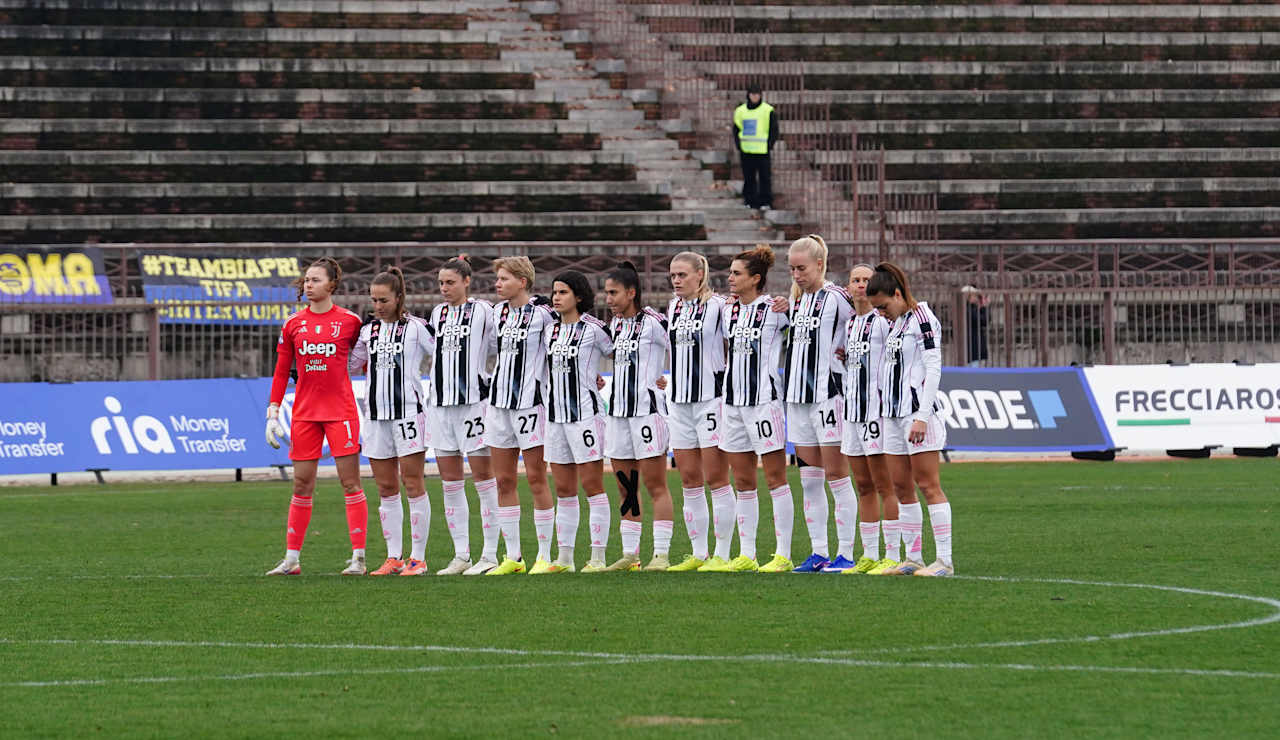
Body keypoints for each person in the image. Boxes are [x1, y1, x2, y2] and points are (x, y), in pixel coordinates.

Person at [264, 257, 368, 576]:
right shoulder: (293, 324)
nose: (309, 285)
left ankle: (359, 558)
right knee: (301, 483)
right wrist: (273, 411)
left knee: (350, 483)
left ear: (332, 285)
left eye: (316, 280)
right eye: (306, 280)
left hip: (341, 412)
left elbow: (364, 360)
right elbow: (282, 370)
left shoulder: (350, 322)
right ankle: (292, 559)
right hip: (305, 413)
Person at [865, 262, 955, 577]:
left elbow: (933, 367)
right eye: (876, 308)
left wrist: (922, 416)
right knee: (901, 486)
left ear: (899, 294)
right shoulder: (895, 323)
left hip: (917, 415)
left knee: (928, 484)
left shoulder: (922, 319)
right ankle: (913, 558)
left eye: (884, 305)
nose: (881, 312)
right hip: (891, 415)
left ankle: (944, 560)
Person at [775, 235, 858, 573]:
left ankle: (847, 553)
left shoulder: (838, 298)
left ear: (820, 264)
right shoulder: (797, 302)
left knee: (837, 476)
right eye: (792, 268)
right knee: (809, 479)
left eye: (802, 268)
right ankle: (819, 552)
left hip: (827, 397)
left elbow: (863, 328)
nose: (796, 274)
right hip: (797, 400)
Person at [709, 245, 792, 573]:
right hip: (732, 404)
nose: (729, 278)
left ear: (755, 279)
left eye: (736, 274)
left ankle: (783, 554)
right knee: (742, 480)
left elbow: (806, 336)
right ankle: (748, 554)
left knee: (775, 478)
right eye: (730, 273)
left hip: (764, 403)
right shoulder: (727, 310)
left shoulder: (776, 309)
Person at [348, 266, 434, 576]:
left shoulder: (417, 328)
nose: (377, 305)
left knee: (413, 483)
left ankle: (418, 558)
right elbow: (351, 364)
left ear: (398, 297)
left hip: (408, 414)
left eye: (383, 299)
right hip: (374, 417)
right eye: (373, 300)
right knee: (385, 487)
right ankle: (393, 556)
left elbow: (444, 359)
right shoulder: (368, 331)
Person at [423, 256, 500, 576]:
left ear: (467, 282)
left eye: (450, 282)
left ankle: (491, 553)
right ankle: (461, 555)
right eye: (441, 283)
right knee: (450, 482)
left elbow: (502, 346)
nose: (444, 288)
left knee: (485, 479)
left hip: (473, 405)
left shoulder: (484, 310)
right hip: (441, 407)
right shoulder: (437, 313)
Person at [485, 257, 557, 575]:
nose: (497, 284)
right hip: (499, 405)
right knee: (503, 480)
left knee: (536, 478)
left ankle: (544, 555)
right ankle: (513, 557)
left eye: (503, 279)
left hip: (531, 405)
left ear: (522, 282)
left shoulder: (543, 315)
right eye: (497, 279)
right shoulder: (496, 313)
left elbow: (558, 351)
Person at [600, 261, 674, 572]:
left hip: (647, 414)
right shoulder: (612, 327)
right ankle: (630, 555)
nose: (608, 299)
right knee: (626, 485)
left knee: (656, 484)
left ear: (632, 293)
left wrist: (670, 380)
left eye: (614, 293)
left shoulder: (656, 323)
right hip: (618, 414)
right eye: (606, 293)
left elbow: (686, 350)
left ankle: (661, 554)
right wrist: (595, 378)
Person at [542, 270, 613, 573]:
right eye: (555, 293)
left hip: (585, 416)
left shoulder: (596, 329)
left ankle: (598, 558)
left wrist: (655, 381)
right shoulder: (550, 331)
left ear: (579, 297)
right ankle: (565, 559)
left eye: (563, 293)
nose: (556, 298)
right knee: (564, 490)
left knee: (593, 486)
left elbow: (623, 356)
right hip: (555, 418)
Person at [664, 252, 730, 572]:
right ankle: (698, 553)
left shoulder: (720, 306)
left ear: (700, 274)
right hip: (678, 402)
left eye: (682, 275)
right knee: (689, 478)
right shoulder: (672, 306)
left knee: (716, 477)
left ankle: (724, 552)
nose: (676, 280)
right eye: (673, 275)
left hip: (710, 399)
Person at [835, 264, 901, 576]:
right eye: (856, 280)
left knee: (884, 484)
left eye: (866, 280)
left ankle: (892, 554)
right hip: (852, 413)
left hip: (875, 412)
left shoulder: (883, 321)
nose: (861, 285)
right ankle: (869, 555)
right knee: (863, 485)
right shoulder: (849, 325)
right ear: (848, 287)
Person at [732, 82, 779, 210]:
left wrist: (769, 145)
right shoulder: (740, 110)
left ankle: (765, 201)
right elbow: (736, 129)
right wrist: (738, 145)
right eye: (753, 94)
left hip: (762, 150)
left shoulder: (767, 110)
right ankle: (749, 200)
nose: (755, 97)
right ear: (748, 95)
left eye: (757, 94)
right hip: (746, 150)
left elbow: (774, 129)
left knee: (765, 177)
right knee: (749, 177)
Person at [963, 285, 989, 367]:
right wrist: (984, 307)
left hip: (968, 350)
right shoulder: (969, 309)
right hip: (974, 350)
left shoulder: (964, 308)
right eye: (975, 295)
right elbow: (984, 321)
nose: (977, 298)